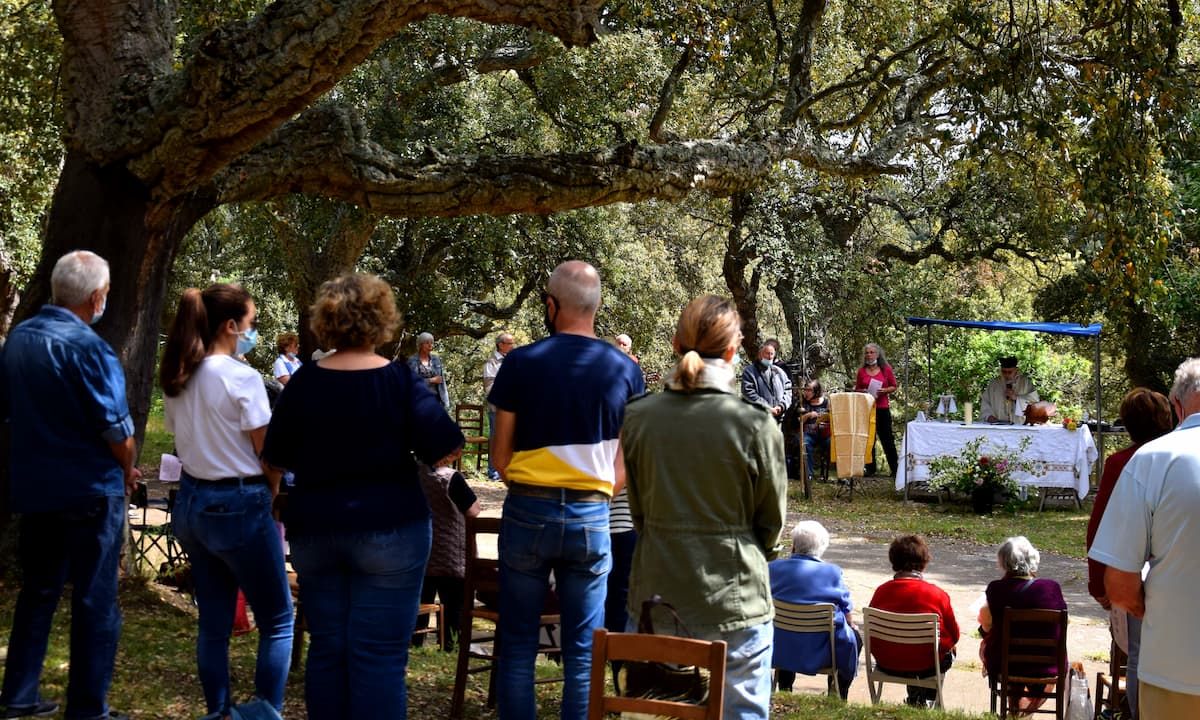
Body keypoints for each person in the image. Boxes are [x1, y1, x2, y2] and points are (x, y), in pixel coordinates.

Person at [262, 273, 462, 719]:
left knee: (329, 650)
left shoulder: (304, 385)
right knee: (380, 658)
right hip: (392, 526)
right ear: (381, 321)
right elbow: (447, 443)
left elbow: (273, 457)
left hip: (317, 527)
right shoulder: (399, 380)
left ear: (325, 321)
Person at [488, 260, 645, 720]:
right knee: (583, 648)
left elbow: (499, 458)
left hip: (527, 512)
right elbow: (626, 465)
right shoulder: (625, 370)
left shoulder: (519, 363)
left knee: (517, 644)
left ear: (552, 306)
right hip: (592, 516)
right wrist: (595, 492)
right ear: (596, 307)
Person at [622, 295, 788, 720]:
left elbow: (639, 511)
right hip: (736, 596)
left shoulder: (640, 417)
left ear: (676, 344)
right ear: (734, 352)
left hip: (655, 591)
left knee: (650, 713)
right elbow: (771, 522)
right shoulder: (754, 423)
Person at [0, 251, 138, 720]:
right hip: (88, 488)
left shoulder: (19, 338)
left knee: (38, 591)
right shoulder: (89, 347)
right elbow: (117, 431)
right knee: (96, 599)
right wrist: (128, 468)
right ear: (97, 296)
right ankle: (88, 706)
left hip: (36, 486)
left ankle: (18, 694)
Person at [158, 283, 294, 717]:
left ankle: (219, 711)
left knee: (213, 623)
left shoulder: (179, 375)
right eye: (250, 323)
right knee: (277, 619)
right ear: (231, 325)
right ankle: (265, 711)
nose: (252, 332)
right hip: (240, 500)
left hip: (194, 502)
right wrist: (272, 487)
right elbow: (267, 450)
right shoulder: (242, 377)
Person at [1090, 358, 1200, 719]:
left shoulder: (1150, 459)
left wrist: (1154, 606)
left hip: (1177, 669)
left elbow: (1120, 583)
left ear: (1179, 404)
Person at [1085, 387, 1172, 718]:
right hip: (1174, 569)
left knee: (1137, 656)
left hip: (1133, 572)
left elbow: (1099, 528)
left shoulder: (1121, 462)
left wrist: (1099, 586)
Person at [769, 521, 861, 700]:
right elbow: (848, 614)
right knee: (854, 637)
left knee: (787, 631)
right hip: (820, 652)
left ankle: (785, 688)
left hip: (779, 649)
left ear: (793, 546)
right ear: (822, 548)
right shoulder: (832, 573)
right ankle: (837, 695)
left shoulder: (773, 568)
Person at [868, 535, 959, 708]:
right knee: (945, 651)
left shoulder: (881, 592)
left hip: (887, 663)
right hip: (926, 666)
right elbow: (954, 635)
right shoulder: (937, 595)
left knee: (914, 649)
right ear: (924, 562)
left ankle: (916, 699)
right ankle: (926, 699)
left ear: (893, 561)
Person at [978, 536, 1067, 715]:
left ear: (1003, 562)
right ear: (1034, 559)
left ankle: (1013, 708)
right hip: (1049, 666)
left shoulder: (996, 589)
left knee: (989, 642)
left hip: (1007, 665)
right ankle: (1024, 710)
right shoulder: (1052, 588)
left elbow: (986, 625)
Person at [413, 462, 481, 651]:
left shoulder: (412, 474)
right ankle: (450, 645)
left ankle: (416, 643)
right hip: (450, 552)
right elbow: (473, 510)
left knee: (419, 603)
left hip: (420, 552)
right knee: (454, 605)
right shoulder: (450, 477)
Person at [855, 343, 898, 476]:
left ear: (878, 354)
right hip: (867, 409)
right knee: (869, 440)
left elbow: (894, 386)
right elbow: (856, 389)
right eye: (867, 353)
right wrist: (863, 391)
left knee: (887, 439)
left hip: (882, 408)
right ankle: (870, 469)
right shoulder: (861, 371)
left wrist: (884, 390)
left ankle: (895, 469)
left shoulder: (886, 369)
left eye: (872, 352)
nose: (869, 355)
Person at [483, 332, 515, 480]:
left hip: (513, 407)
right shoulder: (491, 362)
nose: (512, 346)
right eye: (510, 343)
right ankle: (493, 472)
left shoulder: (513, 360)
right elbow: (489, 387)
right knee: (496, 438)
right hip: (498, 408)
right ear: (500, 344)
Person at [741, 338, 792, 423]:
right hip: (758, 419)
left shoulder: (779, 372)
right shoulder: (750, 371)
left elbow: (788, 389)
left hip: (778, 419)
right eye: (767, 353)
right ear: (760, 354)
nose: (769, 357)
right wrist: (767, 408)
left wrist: (781, 406)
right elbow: (748, 392)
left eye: (772, 354)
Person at [980, 356, 1039, 424]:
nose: (1007, 375)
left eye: (1010, 372)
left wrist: (1017, 398)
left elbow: (1034, 403)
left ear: (1016, 370)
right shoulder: (994, 384)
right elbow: (985, 402)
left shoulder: (1025, 383)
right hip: (998, 424)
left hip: (1019, 424)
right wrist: (988, 416)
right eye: (1004, 372)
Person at [407, 331, 450, 411]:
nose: (430, 345)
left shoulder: (436, 359)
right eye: (427, 343)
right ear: (420, 345)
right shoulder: (412, 361)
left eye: (431, 343)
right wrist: (431, 380)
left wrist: (446, 401)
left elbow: (442, 380)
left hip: (436, 400)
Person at [800, 379, 831, 481]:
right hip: (810, 434)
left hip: (825, 434)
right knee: (805, 443)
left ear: (816, 392)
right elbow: (798, 420)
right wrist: (808, 415)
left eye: (809, 390)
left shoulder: (826, 403)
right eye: (805, 390)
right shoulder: (803, 403)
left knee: (833, 443)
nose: (806, 392)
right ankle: (808, 474)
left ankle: (837, 474)